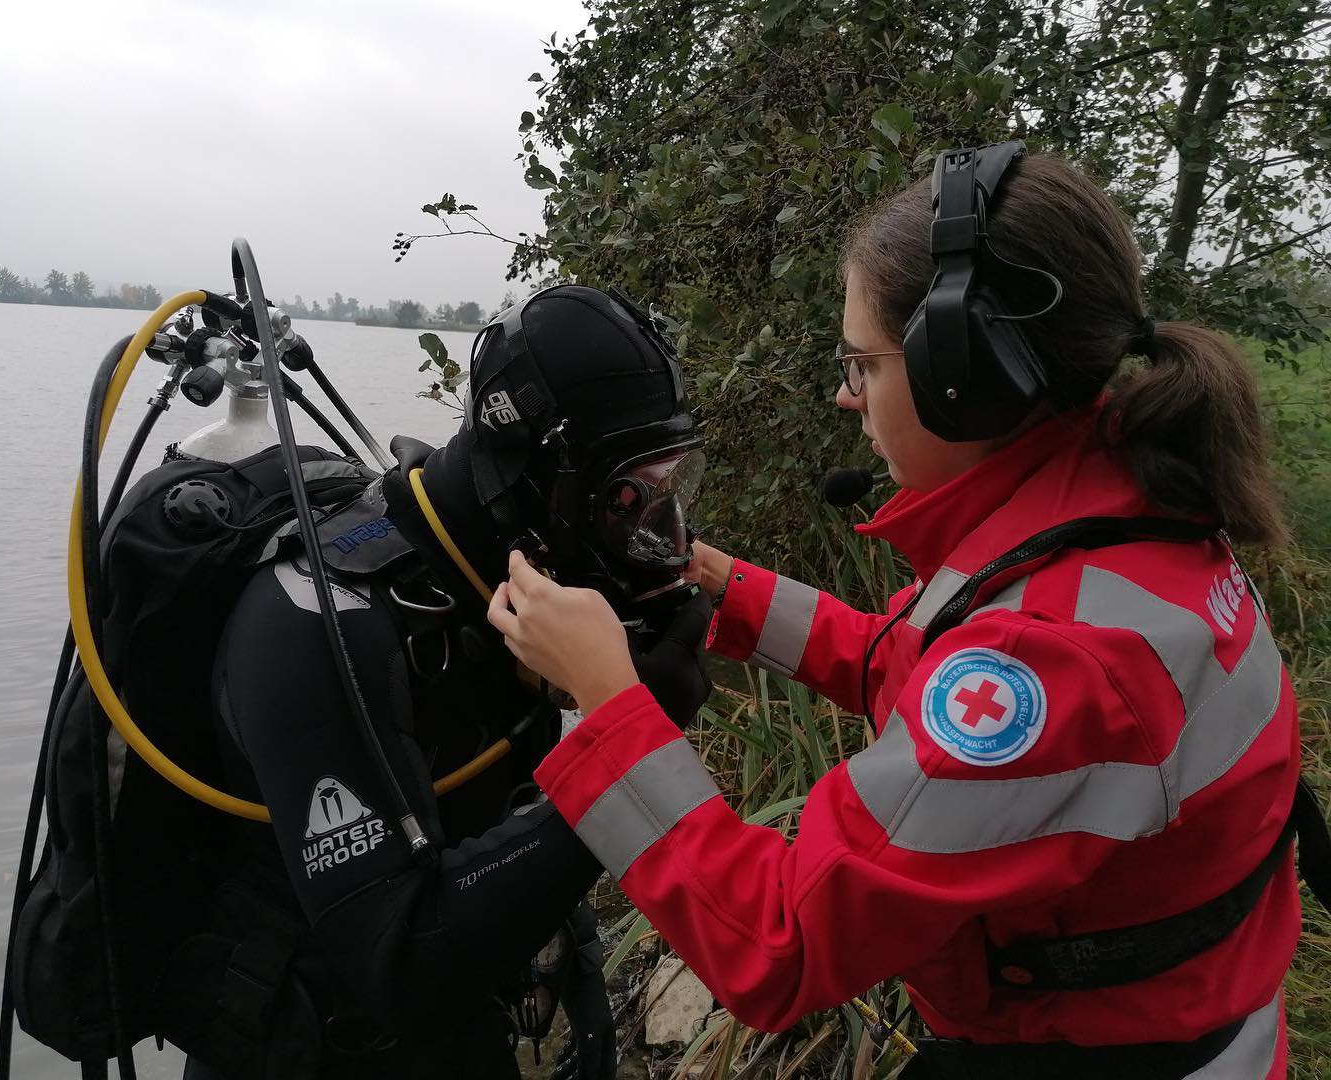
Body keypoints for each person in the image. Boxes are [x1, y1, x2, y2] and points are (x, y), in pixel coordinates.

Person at [488, 144, 1314, 1079]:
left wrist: (603, 695)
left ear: (966, 372)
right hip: (1188, 1030)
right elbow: (917, 667)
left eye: (862, 363)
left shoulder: (1055, 653)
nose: (846, 395)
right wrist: (724, 590)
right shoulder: (1109, 516)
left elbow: (779, 941)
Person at [181, 284, 713, 1079]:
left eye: (673, 487)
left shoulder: (500, 574)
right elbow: (399, 966)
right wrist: (634, 740)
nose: (663, 535)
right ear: (537, 472)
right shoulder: (316, 627)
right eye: (628, 497)